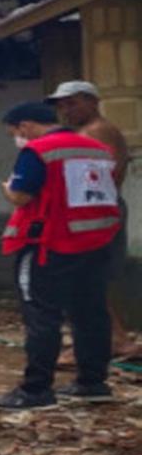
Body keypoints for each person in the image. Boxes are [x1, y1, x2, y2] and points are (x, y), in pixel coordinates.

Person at [0, 102, 121, 409]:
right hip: (96, 242)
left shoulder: (38, 151)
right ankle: (93, 382)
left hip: (49, 245)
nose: (18, 139)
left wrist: (7, 188)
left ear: (25, 126)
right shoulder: (98, 150)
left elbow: (21, 195)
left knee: (41, 315)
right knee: (91, 313)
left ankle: (36, 389)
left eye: (15, 133)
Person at [46, 80, 137, 361]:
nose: (66, 111)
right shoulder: (87, 131)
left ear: (93, 102)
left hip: (95, 213)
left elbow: (100, 175)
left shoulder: (97, 131)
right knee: (87, 280)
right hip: (91, 212)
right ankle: (113, 338)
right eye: (62, 106)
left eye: (72, 103)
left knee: (85, 279)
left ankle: (101, 342)